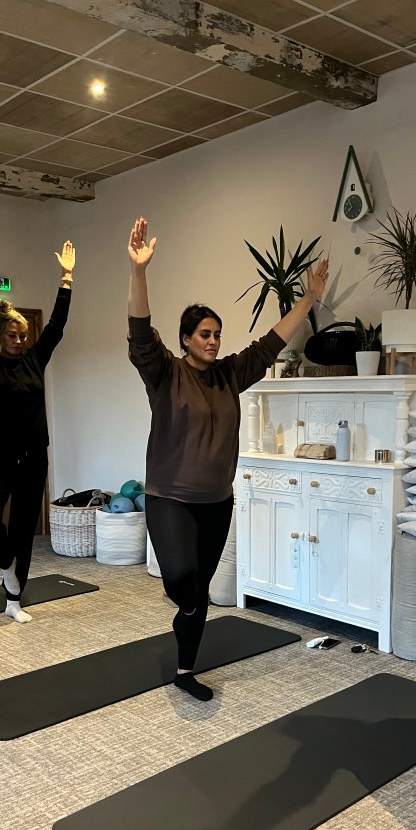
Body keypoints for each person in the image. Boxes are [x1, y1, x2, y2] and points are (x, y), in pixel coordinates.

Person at [127, 217, 328, 700]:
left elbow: (271, 343)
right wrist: (138, 271)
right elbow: (139, 332)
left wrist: (308, 299)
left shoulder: (230, 374)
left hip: (217, 502)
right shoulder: (165, 372)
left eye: (217, 334)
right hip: (170, 498)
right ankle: (182, 604)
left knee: (199, 594)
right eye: (204, 334)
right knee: (182, 580)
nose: (213, 341)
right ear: (185, 339)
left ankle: (185, 670)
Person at [0, 226, 75, 623]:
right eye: (13, 334)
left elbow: (56, 326)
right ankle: (4, 563)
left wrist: (66, 278)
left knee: (24, 527)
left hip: (32, 457)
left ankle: (13, 598)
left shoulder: (34, 360)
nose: (20, 340)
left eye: (24, 334)